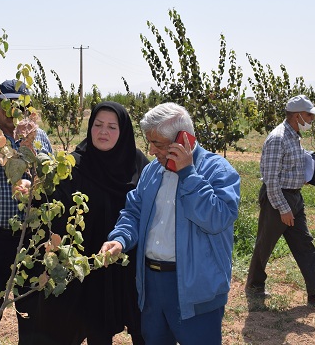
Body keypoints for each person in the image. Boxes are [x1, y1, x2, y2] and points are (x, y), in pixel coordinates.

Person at [100, 102, 240, 345]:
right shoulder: (153, 171)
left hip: (196, 291)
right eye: (150, 142)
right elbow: (134, 211)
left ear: (183, 140)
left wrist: (188, 174)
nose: (152, 150)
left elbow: (217, 218)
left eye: (158, 144)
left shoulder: (217, 171)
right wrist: (120, 238)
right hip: (153, 286)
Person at [29, 101, 149, 344]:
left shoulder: (138, 164)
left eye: (112, 127)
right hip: (89, 265)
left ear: (124, 131)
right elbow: (52, 205)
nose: (103, 132)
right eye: (98, 125)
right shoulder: (74, 164)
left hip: (127, 262)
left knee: (142, 328)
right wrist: (34, 188)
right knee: (97, 329)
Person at [0, 79, 53, 345]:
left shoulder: (39, 138)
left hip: (30, 240)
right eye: (6, 103)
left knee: (33, 313)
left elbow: (51, 187)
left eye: (19, 104)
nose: (12, 110)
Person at [245, 95, 315, 307]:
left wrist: (306, 174)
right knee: (265, 244)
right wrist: (283, 208)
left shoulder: (294, 136)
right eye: (309, 115)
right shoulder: (277, 138)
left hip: (294, 197)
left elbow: (289, 166)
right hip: (277, 198)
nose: (312, 119)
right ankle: (254, 286)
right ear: (297, 115)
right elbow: (271, 180)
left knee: (305, 243)